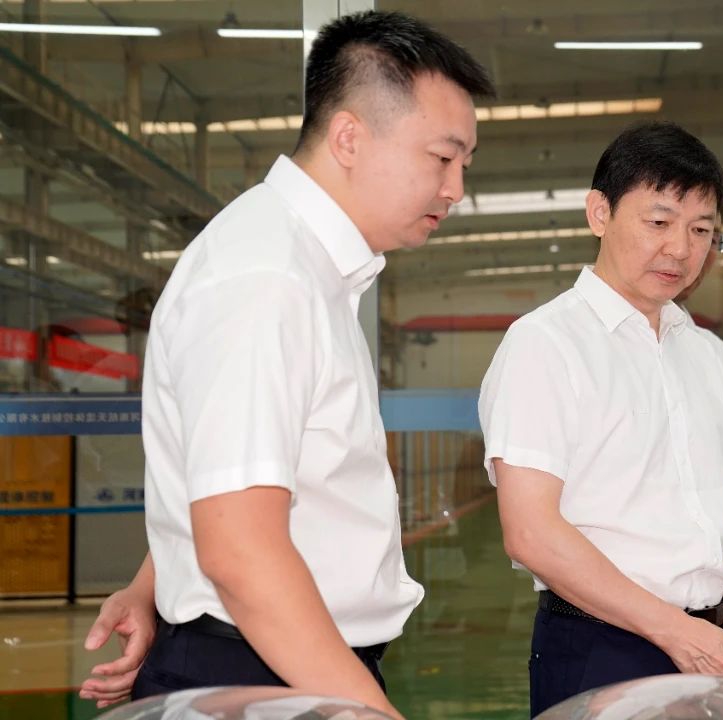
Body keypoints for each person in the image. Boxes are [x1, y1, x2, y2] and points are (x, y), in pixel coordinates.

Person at [78, 11, 493, 717]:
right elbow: (240, 554)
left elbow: (226, 478)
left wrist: (155, 584)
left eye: (465, 165)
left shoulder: (304, 268)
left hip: (285, 658)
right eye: (441, 158)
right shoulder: (267, 279)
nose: (455, 188)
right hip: (261, 667)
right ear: (350, 138)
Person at [478, 121, 723, 716]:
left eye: (701, 230)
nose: (681, 249)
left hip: (710, 639)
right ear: (600, 213)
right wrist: (676, 631)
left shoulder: (711, 356)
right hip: (601, 644)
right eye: (659, 222)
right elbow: (531, 530)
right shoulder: (545, 344)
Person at [674, 231, 723, 532]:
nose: (691, 251)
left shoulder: (716, 356)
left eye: (709, 236)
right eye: (660, 223)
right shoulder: (558, 341)